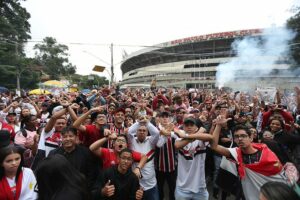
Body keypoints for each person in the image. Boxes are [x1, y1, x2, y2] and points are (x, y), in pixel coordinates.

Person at [210, 115, 287, 200]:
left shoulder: (266, 153)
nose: (240, 139)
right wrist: (219, 126)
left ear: (251, 137)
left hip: (270, 195)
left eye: (243, 136)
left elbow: (278, 174)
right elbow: (214, 146)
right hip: (248, 195)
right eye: (236, 137)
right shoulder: (235, 153)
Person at [174, 117, 213, 200]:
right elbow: (177, 146)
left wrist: (193, 135)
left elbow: (210, 137)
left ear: (196, 127)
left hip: (200, 188)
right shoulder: (179, 139)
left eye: (192, 125)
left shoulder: (201, 139)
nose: (189, 127)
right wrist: (199, 132)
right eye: (186, 125)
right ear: (183, 127)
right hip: (182, 188)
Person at [128, 116, 160, 200]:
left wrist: (147, 123)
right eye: (139, 130)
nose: (142, 132)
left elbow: (156, 133)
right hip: (135, 184)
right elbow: (129, 132)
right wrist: (139, 122)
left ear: (147, 132)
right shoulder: (132, 141)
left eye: (144, 130)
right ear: (136, 131)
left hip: (151, 185)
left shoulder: (151, 141)